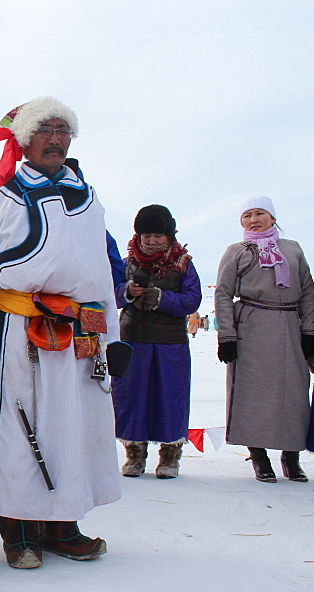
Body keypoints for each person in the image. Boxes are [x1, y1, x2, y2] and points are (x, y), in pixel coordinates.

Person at [0, 97, 127, 569]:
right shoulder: (0, 192)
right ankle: (17, 530)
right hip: (15, 329)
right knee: (16, 425)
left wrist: (111, 336)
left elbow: (98, 271)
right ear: (25, 139)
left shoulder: (89, 198)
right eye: (45, 129)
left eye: (62, 129)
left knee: (70, 427)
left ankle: (61, 524)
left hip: (76, 334)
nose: (55, 138)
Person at [215, 195, 314, 483]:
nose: (254, 220)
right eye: (247, 215)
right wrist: (227, 335)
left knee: (293, 393)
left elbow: (308, 290)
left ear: (272, 217)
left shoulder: (292, 250)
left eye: (260, 213)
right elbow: (222, 294)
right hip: (251, 326)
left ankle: (291, 456)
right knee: (251, 392)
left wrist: (309, 332)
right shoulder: (236, 251)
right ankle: (259, 456)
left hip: (289, 325)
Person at [112, 205, 201, 479]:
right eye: (146, 235)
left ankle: (170, 457)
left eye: (157, 236)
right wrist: (127, 292)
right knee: (131, 398)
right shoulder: (127, 264)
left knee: (169, 398)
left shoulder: (183, 263)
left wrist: (163, 299)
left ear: (169, 236)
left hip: (170, 343)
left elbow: (192, 299)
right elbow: (110, 293)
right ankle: (135, 455)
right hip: (132, 341)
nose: (151, 241)